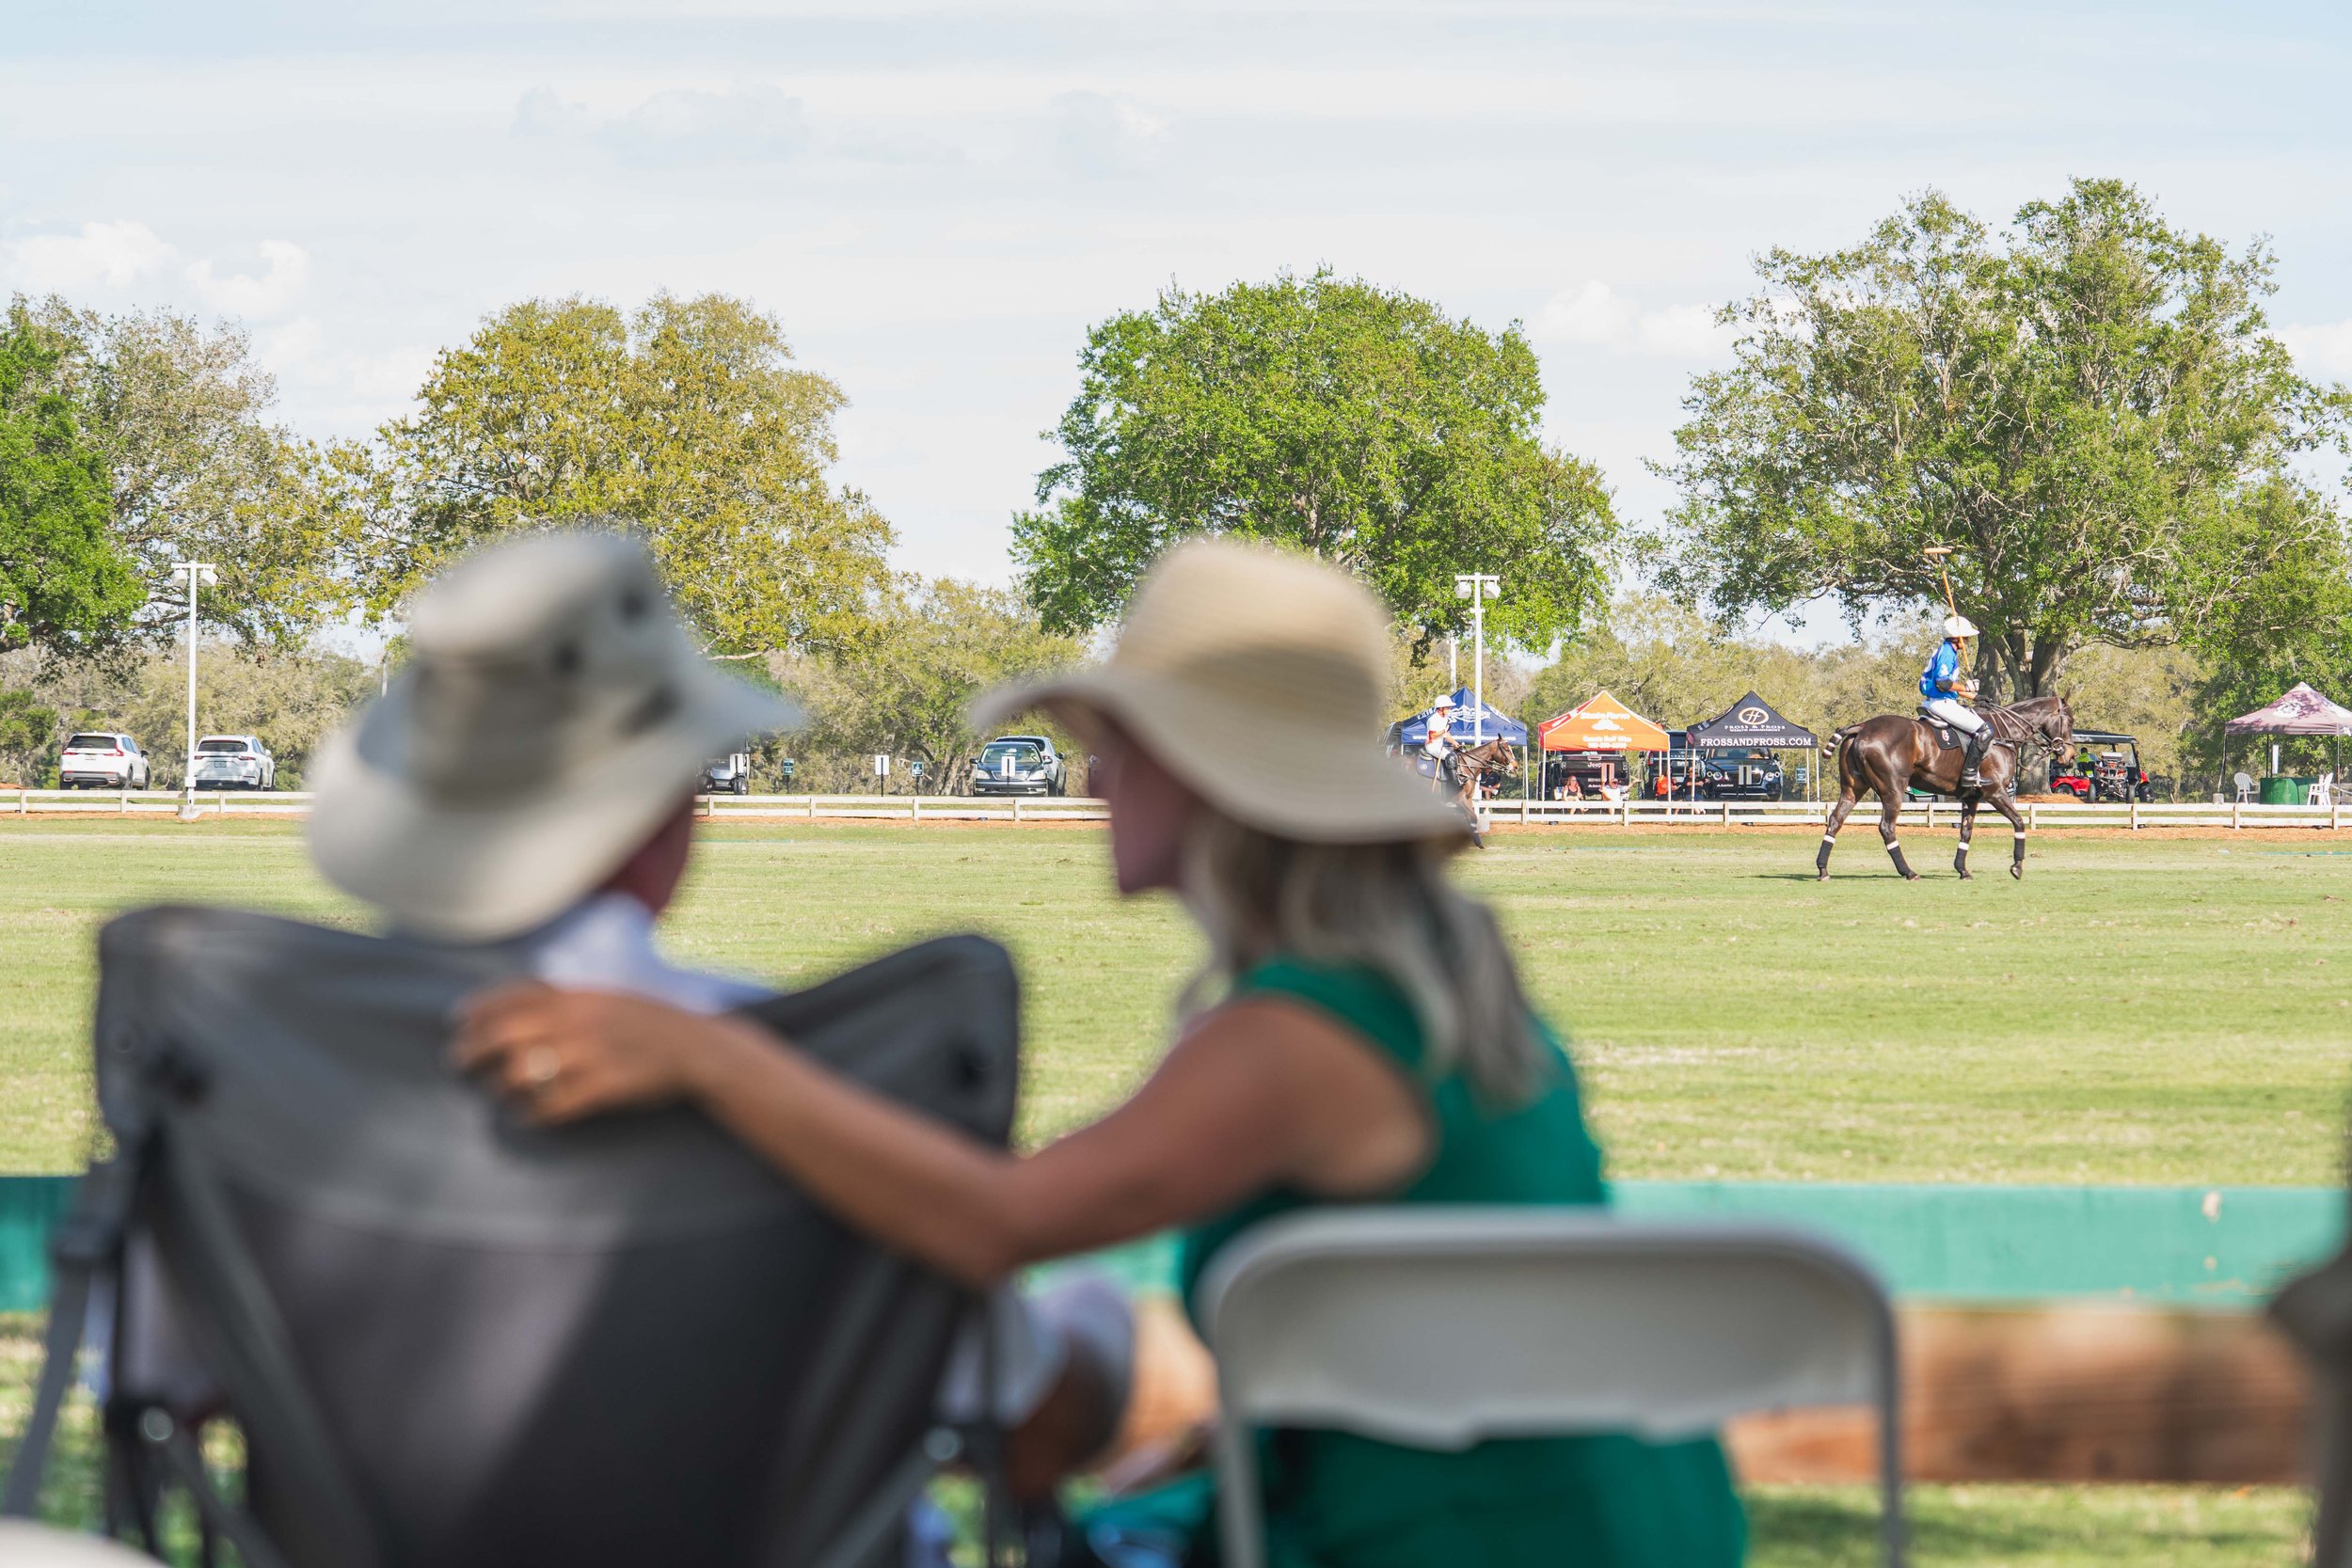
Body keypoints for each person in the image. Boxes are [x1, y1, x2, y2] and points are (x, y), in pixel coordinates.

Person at [452, 539, 1746, 1568]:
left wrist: (704, 1054)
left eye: (1116, 744)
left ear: (1210, 774)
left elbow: (995, 1221)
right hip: (1602, 1522)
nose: (1090, 781)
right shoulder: (1429, 987)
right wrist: (1217, 1437)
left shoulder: (1295, 1035)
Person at [306, 530, 1130, 1549]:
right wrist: (1113, 1341)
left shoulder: (262, 1052)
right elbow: (1029, 1429)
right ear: (670, 815)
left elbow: (154, 1383)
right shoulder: (818, 1071)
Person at [1920, 612, 1992, 788]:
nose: (1967, 641)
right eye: (1965, 637)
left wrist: (1976, 697)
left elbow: (1950, 687)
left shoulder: (1947, 651)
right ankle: (1969, 775)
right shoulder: (1947, 652)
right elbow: (1943, 683)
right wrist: (1966, 687)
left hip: (1941, 700)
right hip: (1940, 703)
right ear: (1956, 637)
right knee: (1985, 731)